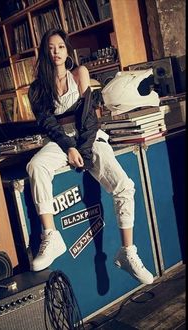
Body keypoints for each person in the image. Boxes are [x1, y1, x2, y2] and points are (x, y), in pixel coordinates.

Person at [26, 28, 154, 285]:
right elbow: (48, 123)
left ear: (67, 49)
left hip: (88, 136)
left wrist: (82, 149)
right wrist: (68, 148)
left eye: (60, 47)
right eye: (51, 48)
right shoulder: (38, 88)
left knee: (124, 186)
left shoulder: (79, 73)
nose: (56, 52)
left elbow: (87, 116)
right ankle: (51, 236)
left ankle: (127, 253)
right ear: (44, 52)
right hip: (60, 140)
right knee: (36, 165)